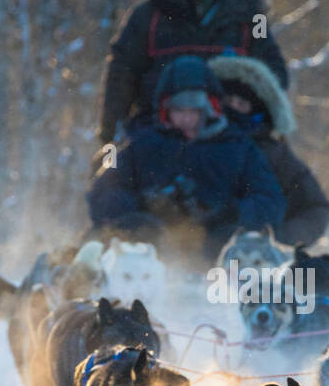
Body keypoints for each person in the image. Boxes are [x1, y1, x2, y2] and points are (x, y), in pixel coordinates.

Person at [97, 0, 289, 144]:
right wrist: (111, 132)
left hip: (230, 128)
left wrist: (260, 116)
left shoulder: (253, 18)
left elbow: (272, 69)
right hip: (159, 126)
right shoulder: (148, 14)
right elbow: (122, 70)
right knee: (112, 169)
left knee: (277, 166)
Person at [87, 56, 286, 261]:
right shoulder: (140, 143)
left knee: (233, 240)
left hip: (217, 256)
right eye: (179, 110)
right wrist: (141, 206)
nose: (187, 118)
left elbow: (270, 201)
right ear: (165, 110)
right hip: (148, 256)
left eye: (195, 111)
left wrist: (230, 212)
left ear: (211, 109)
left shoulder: (239, 147)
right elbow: (103, 191)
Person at [208, 54, 329, 250]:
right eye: (228, 100)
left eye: (242, 104)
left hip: (255, 260)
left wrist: (278, 241)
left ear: (257, 110)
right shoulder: (192, 140)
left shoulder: (274, 154)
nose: (233, 109)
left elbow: (316, 209)